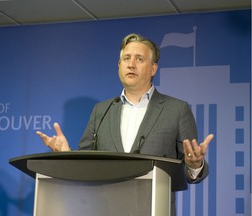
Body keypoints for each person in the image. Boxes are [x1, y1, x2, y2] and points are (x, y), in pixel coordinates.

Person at [36, 33, 214, 215]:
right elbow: (85, 164)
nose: (131, 64)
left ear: (153, 69)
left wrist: (194, 165)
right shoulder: (101, 110)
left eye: (139, 59)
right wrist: (67, 155)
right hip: (104, 209)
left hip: (153, 209)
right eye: (126, 58)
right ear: (119, 66)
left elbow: (190, 174)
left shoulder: (176, 110)